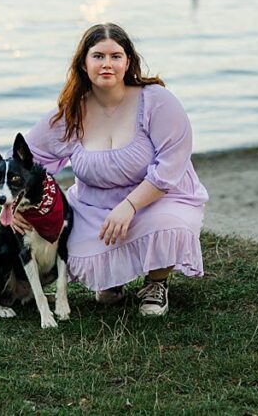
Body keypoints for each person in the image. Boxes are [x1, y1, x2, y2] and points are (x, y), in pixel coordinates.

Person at [13, 22, 208, 317]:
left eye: (115, 56)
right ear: (83, 62)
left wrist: (129, 206)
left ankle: (156, 283)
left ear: (128, 61)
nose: (107, 64)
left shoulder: (156, 101)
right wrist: (14, 207)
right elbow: (24, 159)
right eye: (98, 56)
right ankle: (112, 280)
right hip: (93, 206)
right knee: (71, 246)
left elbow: (172, 164)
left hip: (158, 199)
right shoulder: (70, 113)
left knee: (170, 226)